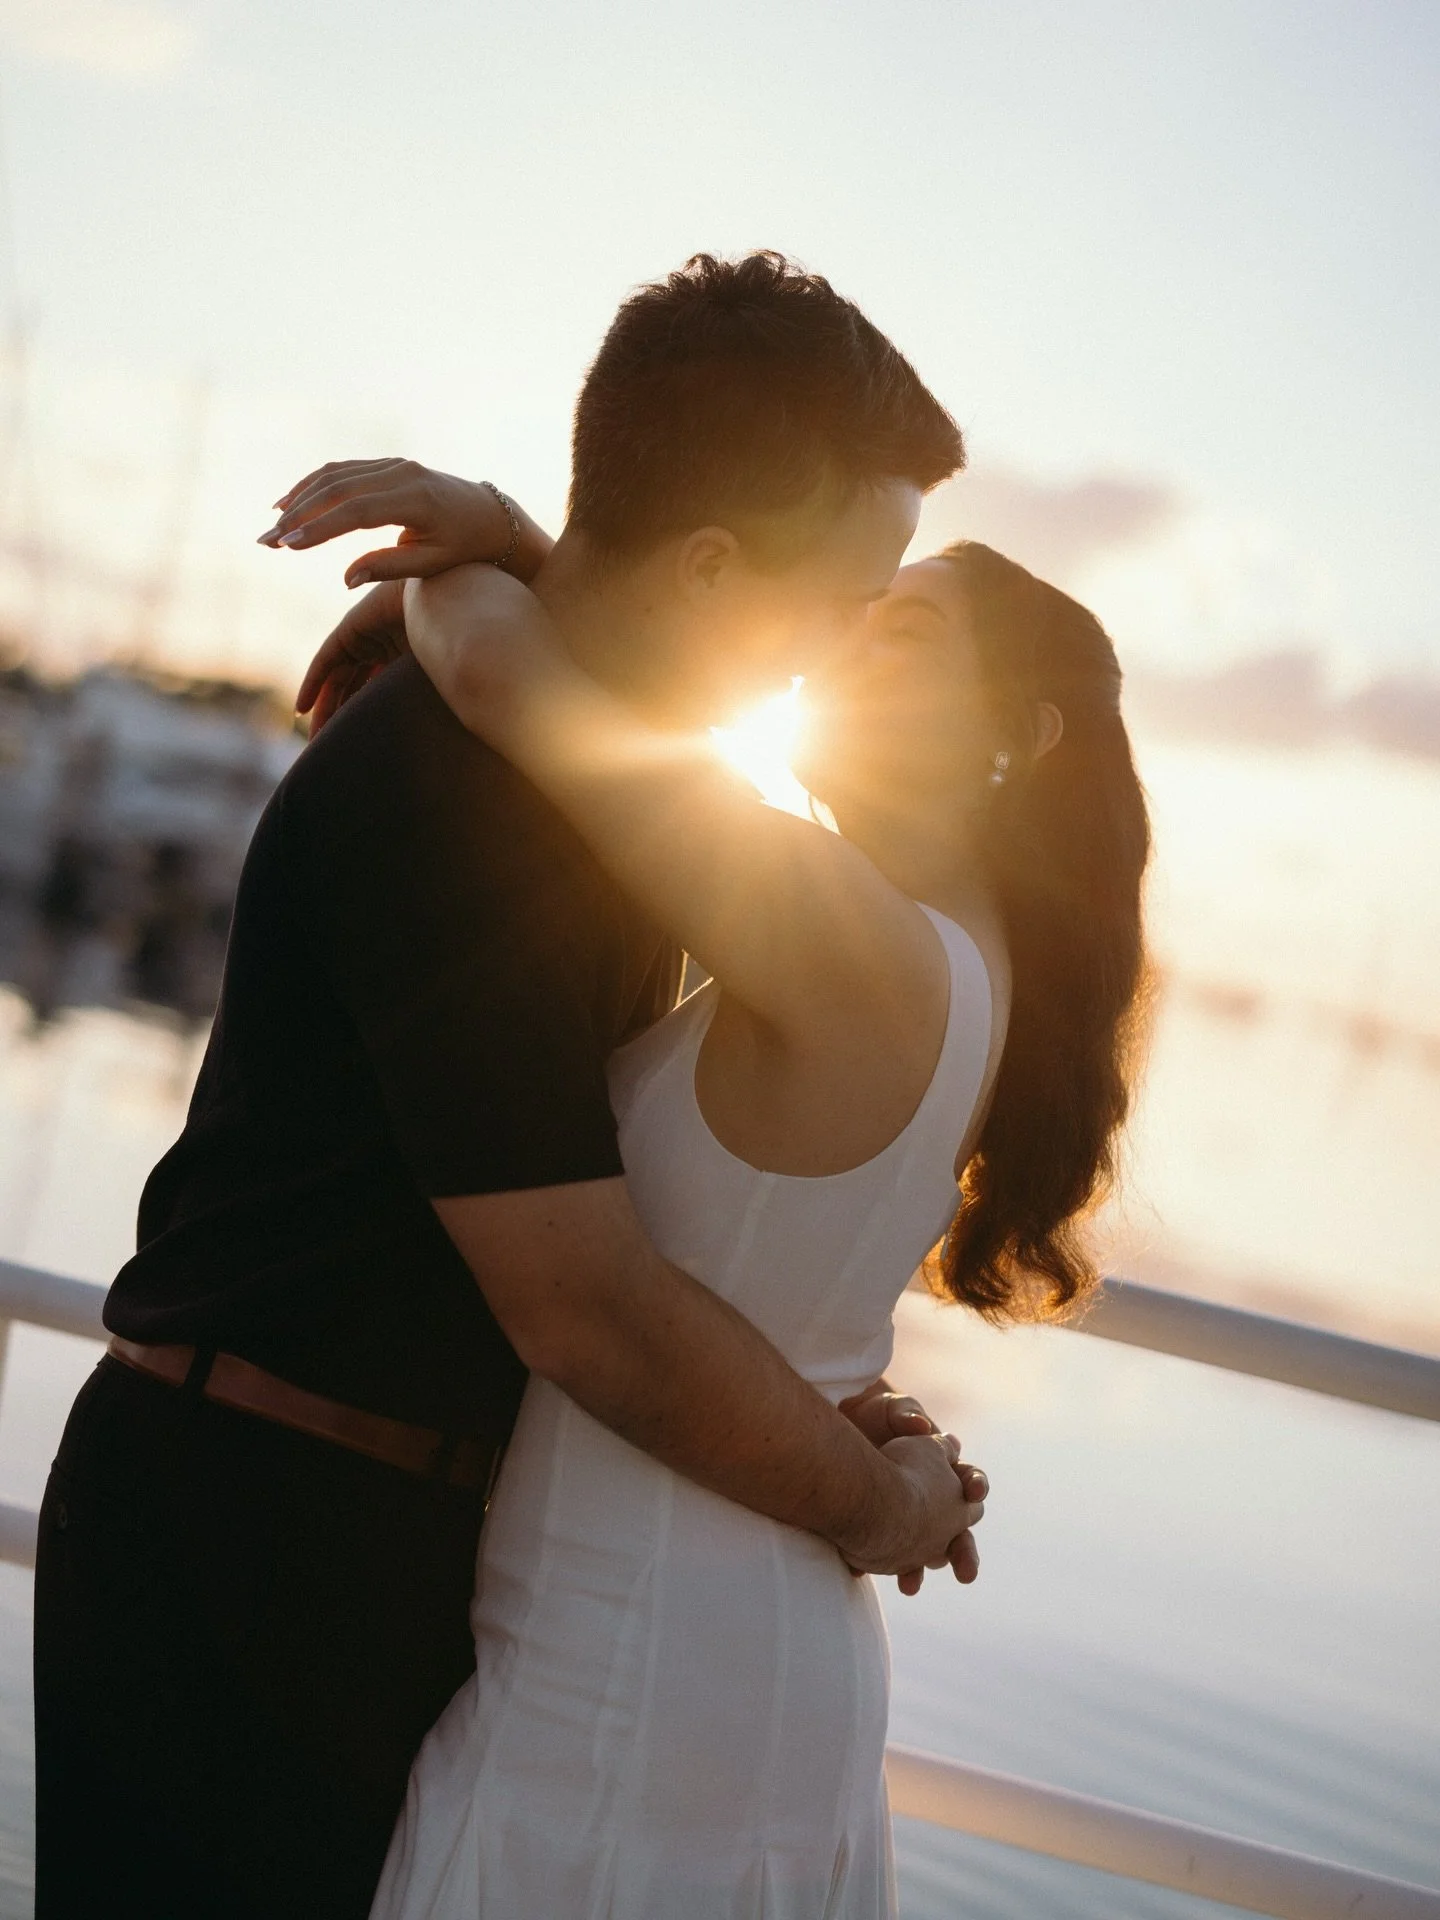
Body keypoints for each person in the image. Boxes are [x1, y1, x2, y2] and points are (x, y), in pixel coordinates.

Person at [31, 253, 987, 1920]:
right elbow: (587, 1314)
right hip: (254, 1541)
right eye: (844, 599)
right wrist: (874, 1501)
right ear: (714, 571)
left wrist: (511, 562)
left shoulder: (592, 773)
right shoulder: (464, 811)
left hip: (375, 1537)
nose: (850, 647)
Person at [283, 488, 1151, 1914]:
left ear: (1017, 736)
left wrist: (464, 558)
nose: (849, 633)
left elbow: (516, 679)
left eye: (908, 625)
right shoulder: (943, 950)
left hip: (632, 1682)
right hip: (706, 1651)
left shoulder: (850, 936)